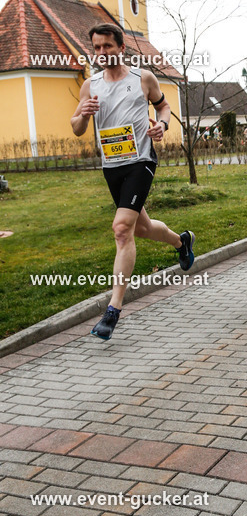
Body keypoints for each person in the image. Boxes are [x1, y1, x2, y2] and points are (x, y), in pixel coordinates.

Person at [71, 23, 195, 341]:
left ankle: (113, 310)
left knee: (122, 229)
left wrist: (163, 125)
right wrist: (82, 114)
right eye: (96, 48)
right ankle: (182, 242)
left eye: (107, 47)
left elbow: (164, 106)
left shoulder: (142, 78)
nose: (101, 53)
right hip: (111, 166)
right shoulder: (90, 85)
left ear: (120, 48)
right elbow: (76, 128)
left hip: (141, 161)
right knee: (141, 227)